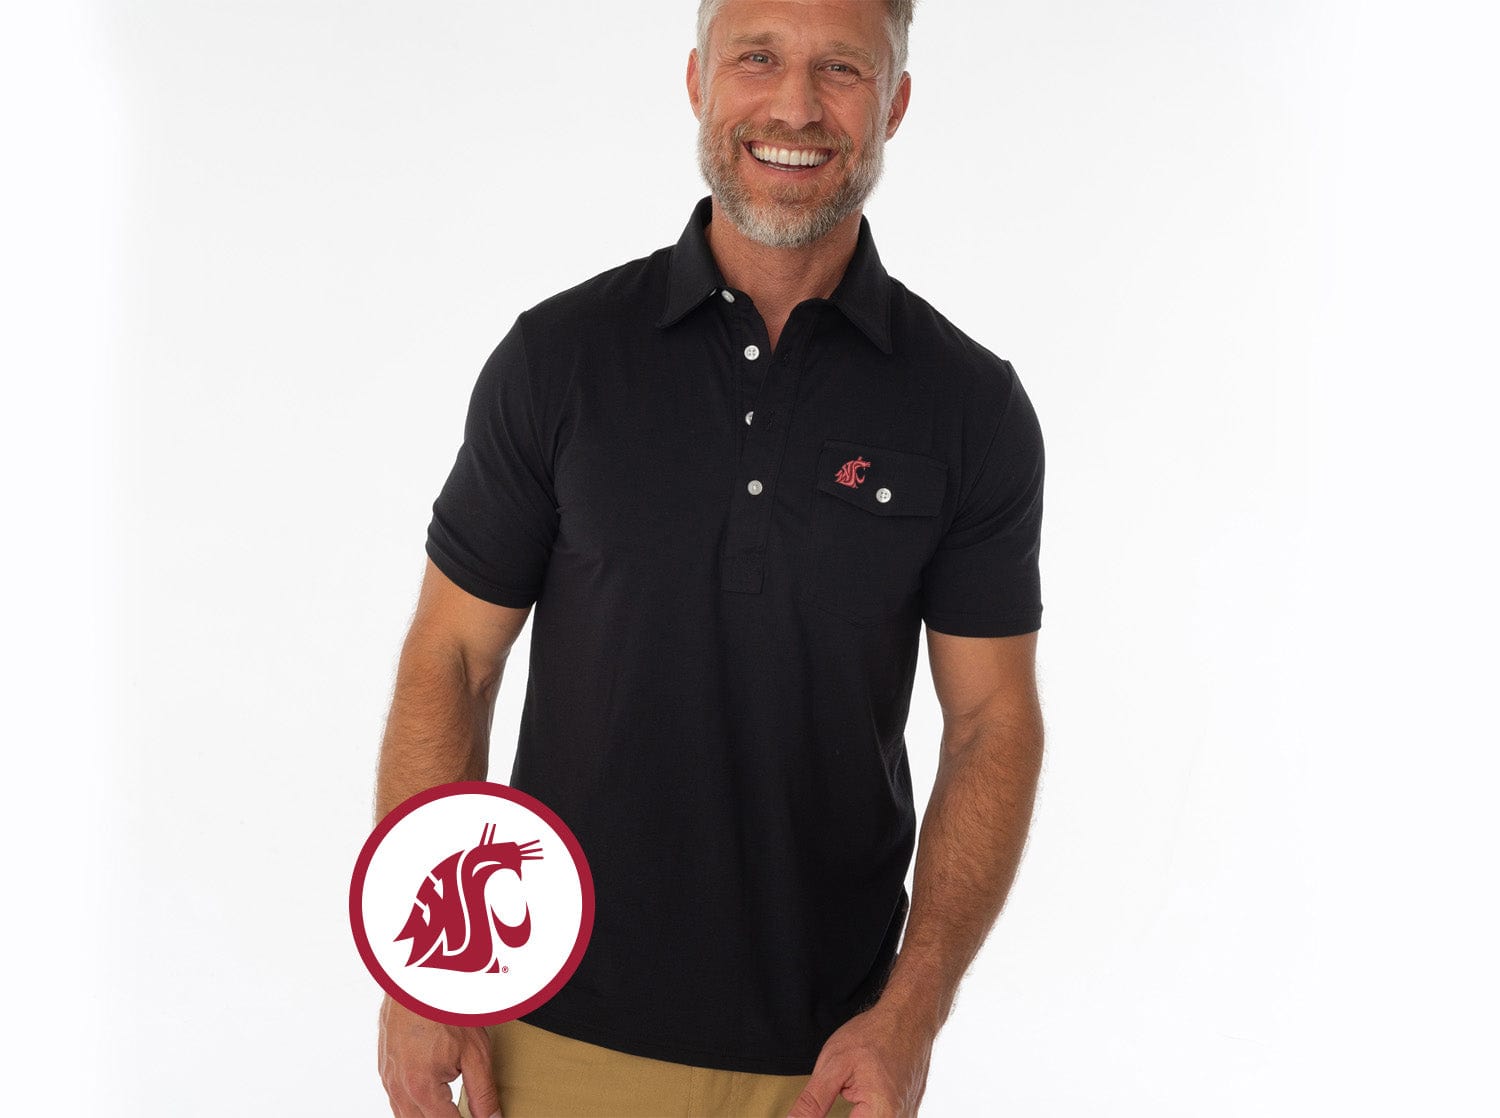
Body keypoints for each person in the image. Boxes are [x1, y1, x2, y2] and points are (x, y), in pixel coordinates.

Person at [373, 1, 1047, 1115]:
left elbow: (991, 721)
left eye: (841, 69)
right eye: (757, 58)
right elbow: (454, 655)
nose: (795, 106)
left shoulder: (971, 406)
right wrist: (425, 964)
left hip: (828, 1064)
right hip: (543, 1031)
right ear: (698, 81)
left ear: (895, 103)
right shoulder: (560, 359)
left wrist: (912, 1012)